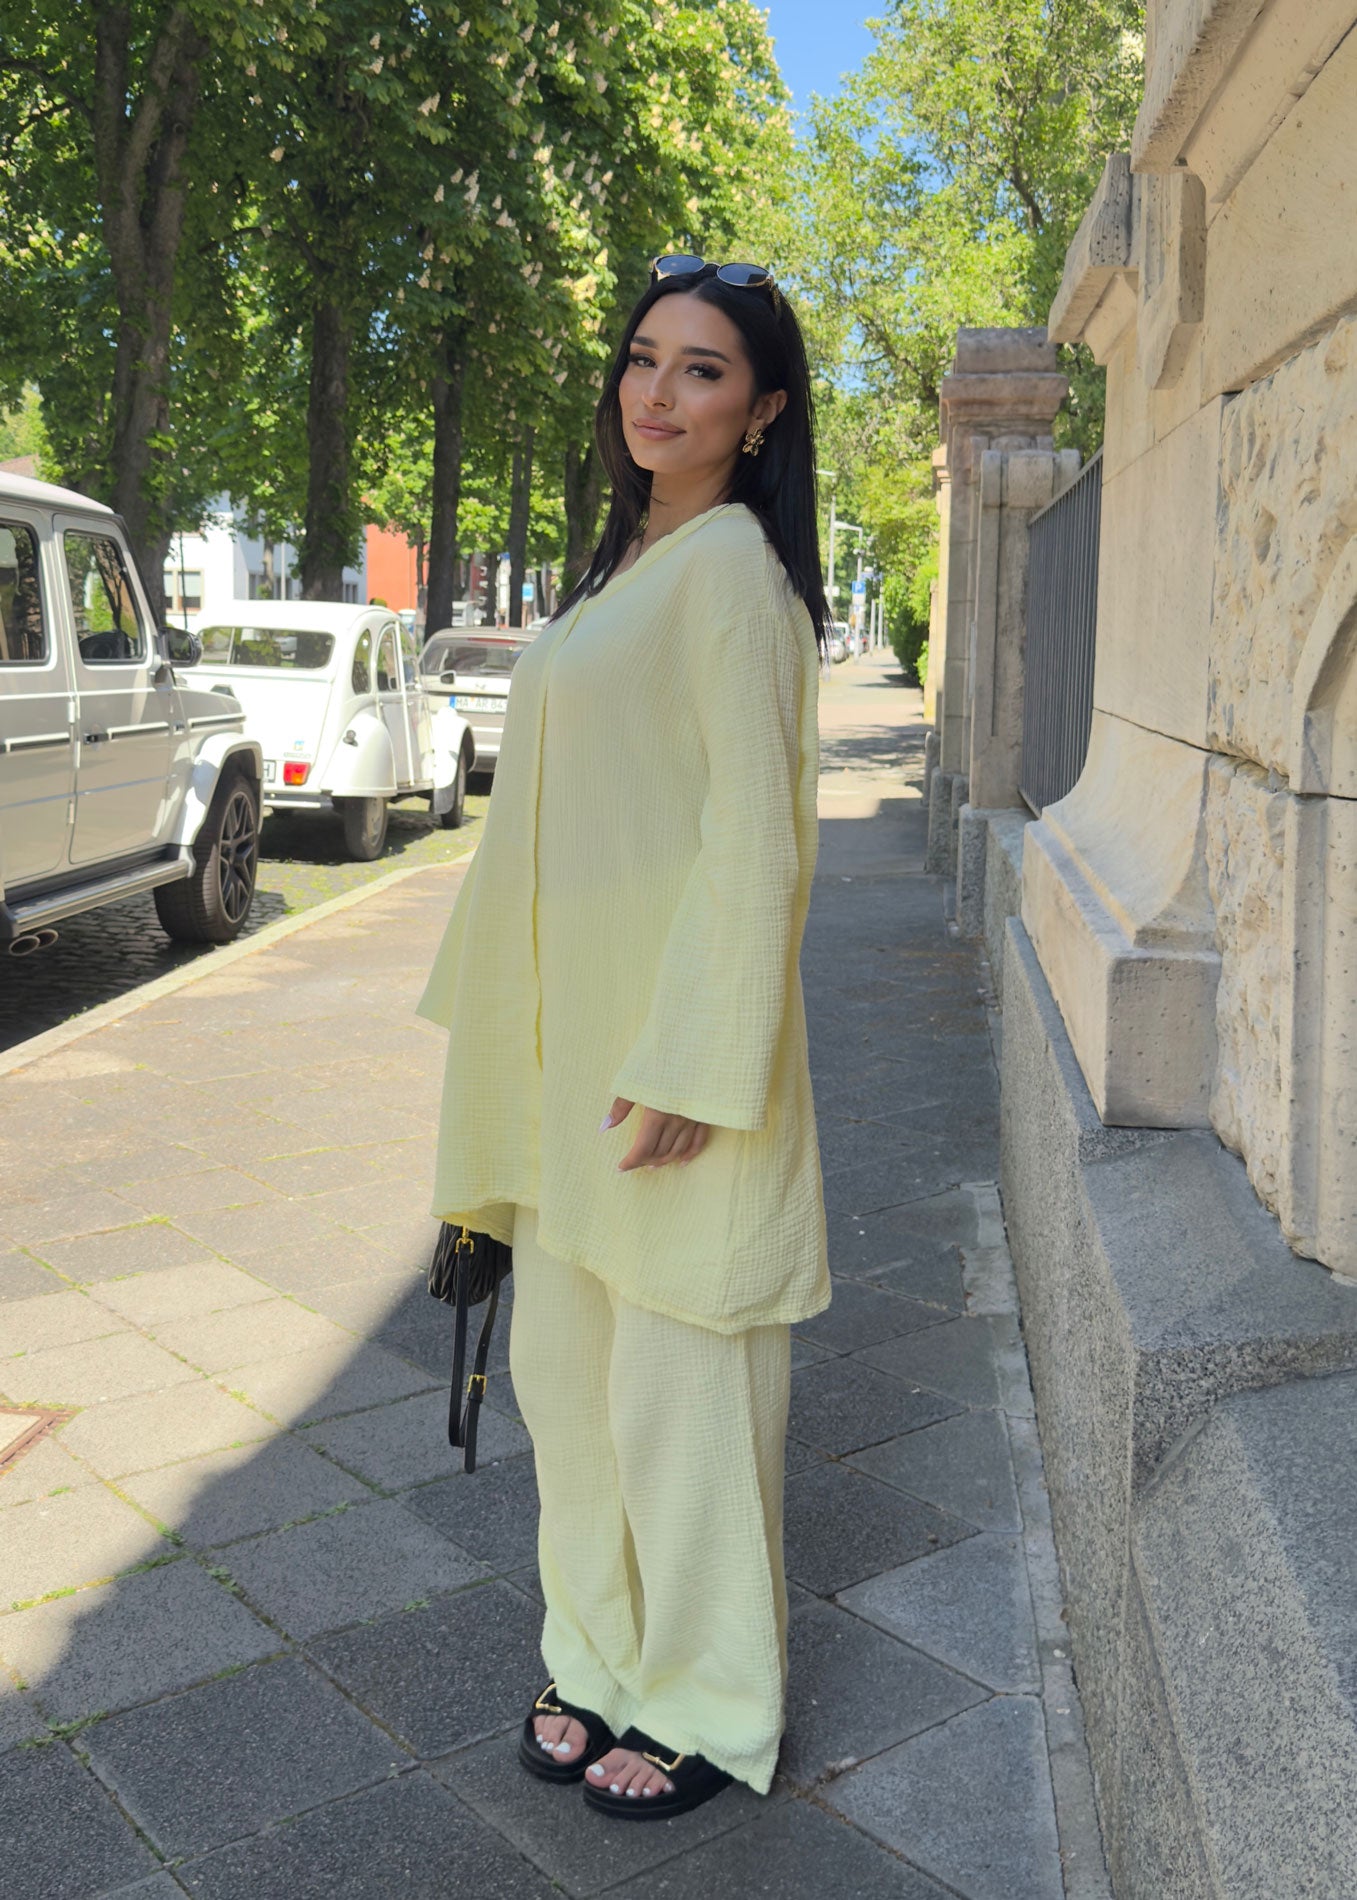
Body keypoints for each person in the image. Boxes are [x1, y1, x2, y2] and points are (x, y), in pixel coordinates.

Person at [415, 252, 831, 1821]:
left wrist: (694, 1062)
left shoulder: (731, 575)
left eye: (700, 369)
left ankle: (709, 1701)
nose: (656, 392)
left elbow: (754, 842)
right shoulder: (622, 567)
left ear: (762, 410)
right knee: (572, 1392)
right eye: (643, 358)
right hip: (564, 1060)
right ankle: (592, 1657)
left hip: (665, 1070)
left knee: (682, 1398)